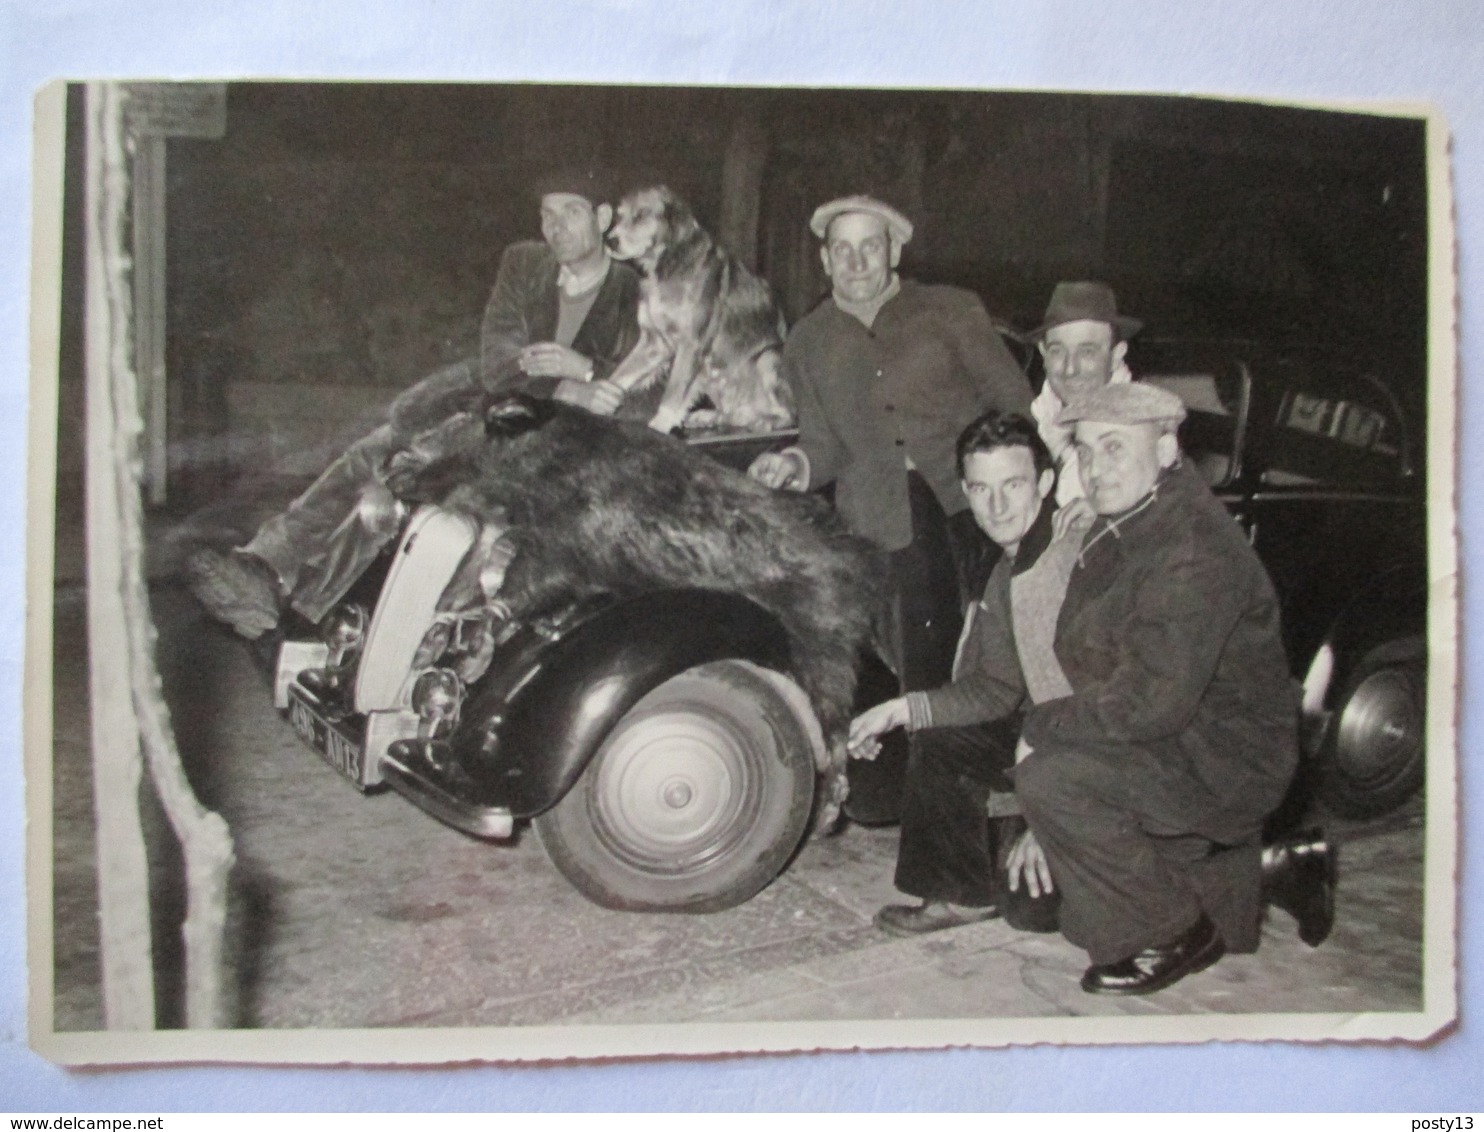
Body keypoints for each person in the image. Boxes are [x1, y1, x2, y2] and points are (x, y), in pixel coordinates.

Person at [187, 170, 641, 638]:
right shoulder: (525, 264)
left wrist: (585, 369)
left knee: (414, 491)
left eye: (571, 212)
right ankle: (264, 567)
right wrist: (567, 386)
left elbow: (641, 394)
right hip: (491, 415)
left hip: (556, 449)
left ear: (604, 218)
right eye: (547, 214)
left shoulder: (636, 294)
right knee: (372, 451)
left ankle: (306, 611)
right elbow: (498, 364)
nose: (556, 228)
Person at [748, 194, 1033, 822]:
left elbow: (1014, 405)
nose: (856, 261)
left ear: (894, 250)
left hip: (975, 508)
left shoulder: (951, 311)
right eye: (842, 250)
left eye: (869, 246)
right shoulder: (808, 340)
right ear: (824, 259)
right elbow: (822, 445)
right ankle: (938, 817)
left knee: (1004, 656)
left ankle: (1023, 795)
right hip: (885, 523)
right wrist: (794, 464)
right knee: (922, 671)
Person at [1013, 381, 1304, 995]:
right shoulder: (1125, 524)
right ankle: (1270, 871)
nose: (1095, 468)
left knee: (1050, 782)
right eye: (1085, 452)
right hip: (1174, 739)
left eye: (1115, 448)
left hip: (1222, 759)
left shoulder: (1192, 549)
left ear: (1168, 448)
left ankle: (1173, 930)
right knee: (1039, 905)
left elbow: (1148, 704)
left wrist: (1042, 729)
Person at [847, 410, 1077, 936]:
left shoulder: (1062, 558)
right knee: (940, 734)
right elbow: (997, 687)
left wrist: (1048, 817)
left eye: (1013, 485)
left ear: (1044, 482)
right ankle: (962, 894)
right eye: (981, 488)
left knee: (1037, 912)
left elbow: (1088, 708)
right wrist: (900, 710)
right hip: (1044, 737)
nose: (996, 505)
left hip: (1095, 752)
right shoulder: (1007, 564)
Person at [1026, 280, 1139, 506]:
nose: (1070, 369)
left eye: (1087, 352)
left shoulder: (1133, 431)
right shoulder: (1045, 412)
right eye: (1057, 351)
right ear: (1043, 354)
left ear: (1116, 355)